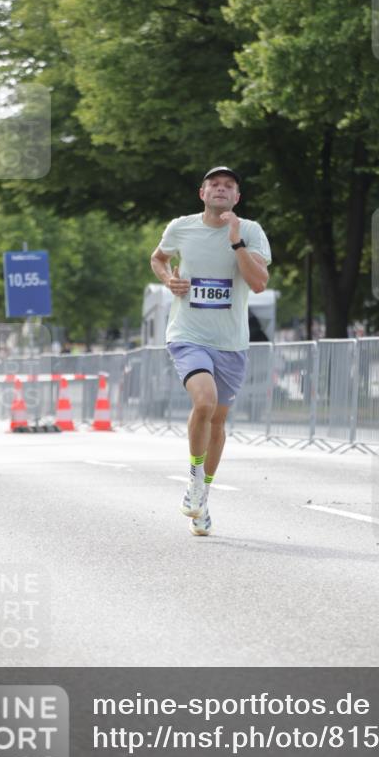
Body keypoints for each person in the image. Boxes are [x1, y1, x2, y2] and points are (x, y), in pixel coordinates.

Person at [150, 166, 272, 536]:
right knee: (204, 402)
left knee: (218, 422)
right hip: (188, 334)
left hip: (231, 343)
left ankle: (202, 493)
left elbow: (259, 284)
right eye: (214, 185)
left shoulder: (250, 231)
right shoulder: (181, 226)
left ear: (237, 198)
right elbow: (158, 258)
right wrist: (169, 279)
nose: (221, 189)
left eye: (228, 186)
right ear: (201, 193)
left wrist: (236, 242)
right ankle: (193, 479)